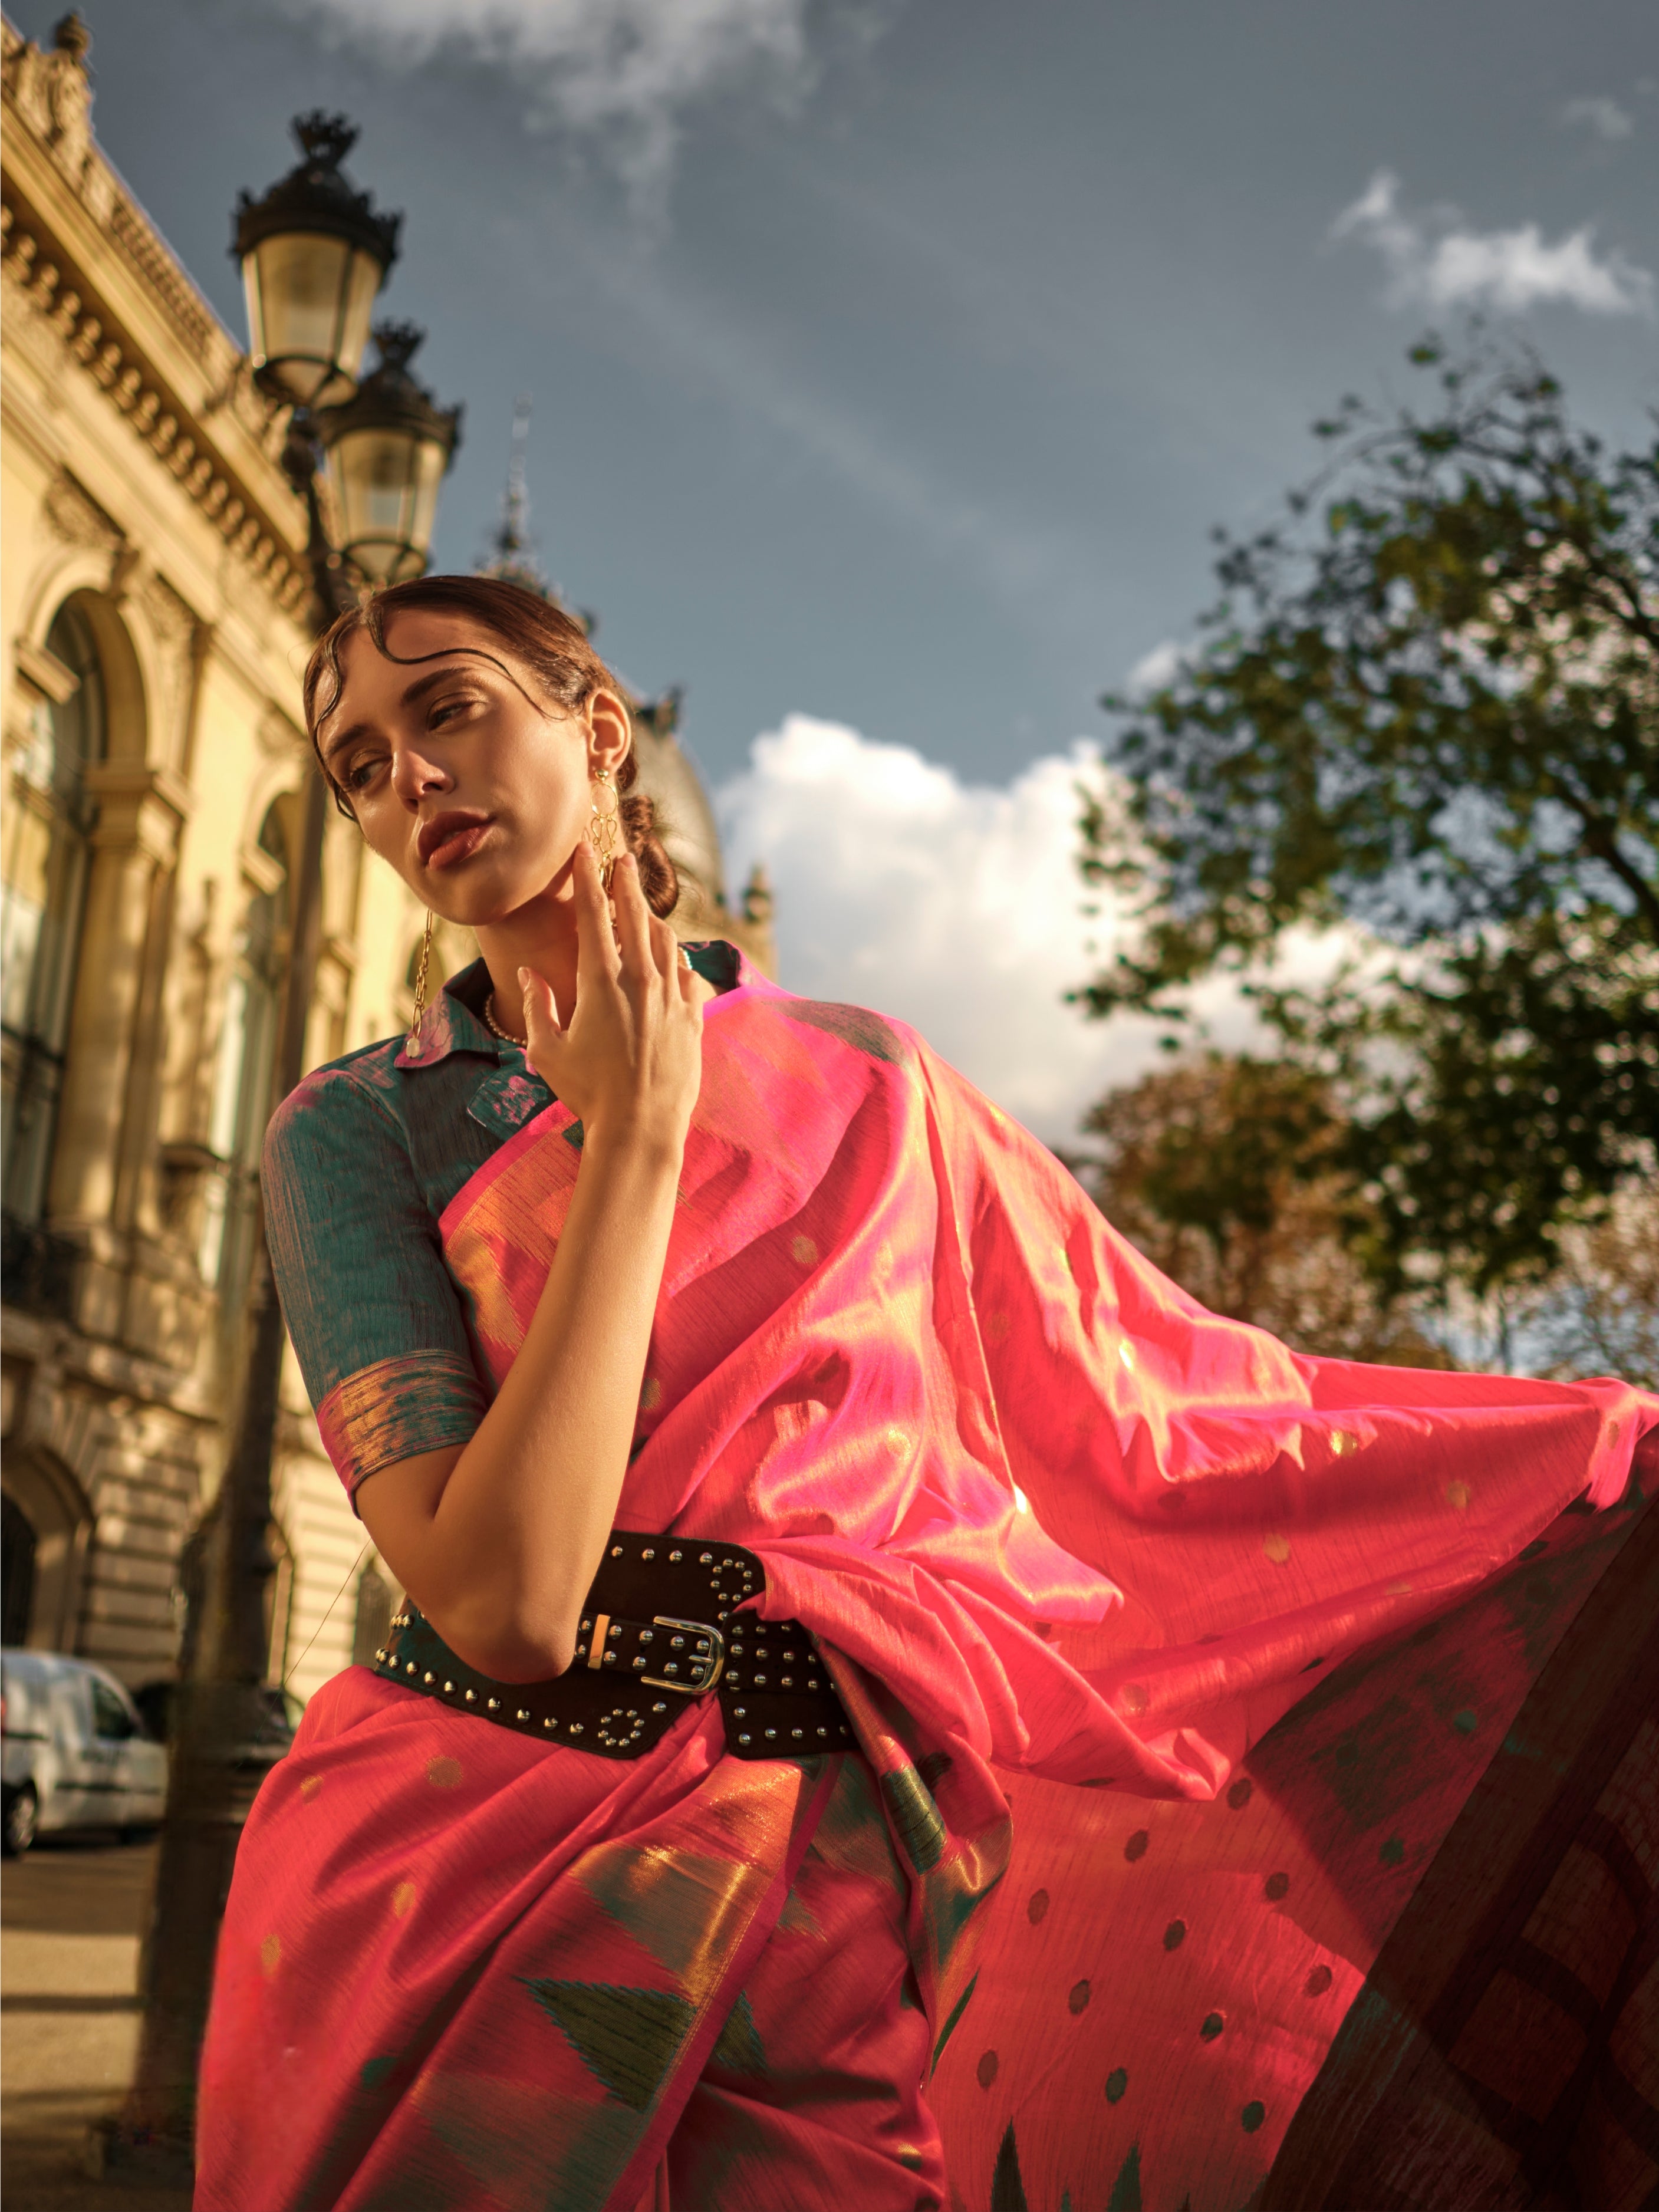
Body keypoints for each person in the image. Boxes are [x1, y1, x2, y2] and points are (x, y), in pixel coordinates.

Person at [195, 575, 1657, 2212]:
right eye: (361, 767)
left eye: (446, 708)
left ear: (597, 729)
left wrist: (1580, 1449)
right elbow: (500, 1600)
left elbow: (1181, 1418)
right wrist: (640, 1143)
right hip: (442, 1887)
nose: (411, 783)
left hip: (837, 1885)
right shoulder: (355, 1131)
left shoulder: (874, 1085)